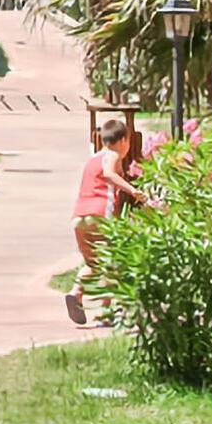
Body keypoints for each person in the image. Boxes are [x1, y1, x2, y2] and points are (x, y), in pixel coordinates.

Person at [65, 117, 148, 327]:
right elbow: (109, 174)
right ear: (123, 141)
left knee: (93, 263)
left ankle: (76, 293)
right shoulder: (112, 155)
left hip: (80, 217)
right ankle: (107, 312)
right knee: (112, 263)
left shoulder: (92, 158)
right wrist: (133, 190)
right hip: (100, 214)